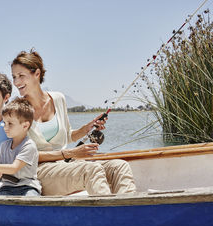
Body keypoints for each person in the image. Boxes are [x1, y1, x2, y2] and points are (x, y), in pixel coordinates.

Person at [10, 49, 136, 196]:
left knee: (120, 166)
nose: (16, 82)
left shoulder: (58, 99)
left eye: (21, 76)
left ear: (37, 74)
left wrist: (86, 128)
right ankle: (108, 214)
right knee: (91, 170)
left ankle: (126, 211)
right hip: (39, 171)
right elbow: (23, 156)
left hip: (66, 165)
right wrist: (69, 153)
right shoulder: (17, 110)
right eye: (14, 77)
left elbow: (68, 136)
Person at [0, 98, 41, 196]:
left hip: (28, 187)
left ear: (25, 126)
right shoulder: (4, 146)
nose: (5, 127)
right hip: (7, 187)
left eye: (10, 124)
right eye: (4, 123)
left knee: (31, 202)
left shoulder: (29, 146)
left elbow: (13, 168)